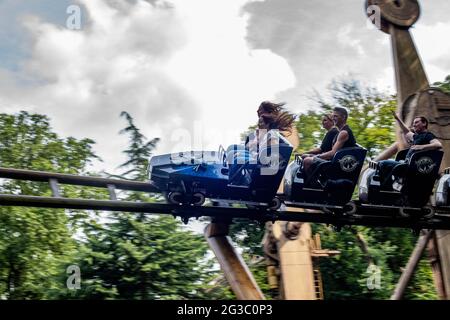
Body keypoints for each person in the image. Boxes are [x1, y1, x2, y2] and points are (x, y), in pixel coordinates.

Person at [378, 113, 442, 187]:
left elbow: (438, 145)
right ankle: (390, 187)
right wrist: (398, 119)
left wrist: (422, 147)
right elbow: (406, 131)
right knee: (386, 163)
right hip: (406, 164)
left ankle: (386, 188)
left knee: (383, 163)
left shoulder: (428, 135)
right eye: (413, 123)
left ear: (424, 123)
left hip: (411, 168)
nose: (414, 125)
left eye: (416, 122)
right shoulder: (416, 136)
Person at [302, 106, 356, 175]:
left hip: (337, 165)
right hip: (335, 161)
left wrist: (315, 156)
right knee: (306, 157)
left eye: (336, 116)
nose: (333, 118)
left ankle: (311, 185)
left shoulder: (344, 133)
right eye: (333, 116)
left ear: (343, 117)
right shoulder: (340, 132)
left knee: (307, 160)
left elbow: (332, 153)